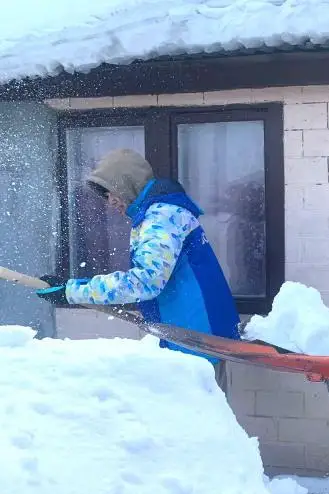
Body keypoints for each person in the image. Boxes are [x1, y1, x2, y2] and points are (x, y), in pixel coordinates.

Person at [36, 149, 241, 393]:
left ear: (128, 183)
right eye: (105, 195)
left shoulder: (162, 217)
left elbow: (145, 282)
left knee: (195, 426)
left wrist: (73, 291)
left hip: (194, 342)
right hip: (194, 337)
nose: (110, 201)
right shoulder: (163, 211)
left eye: (111, 191)